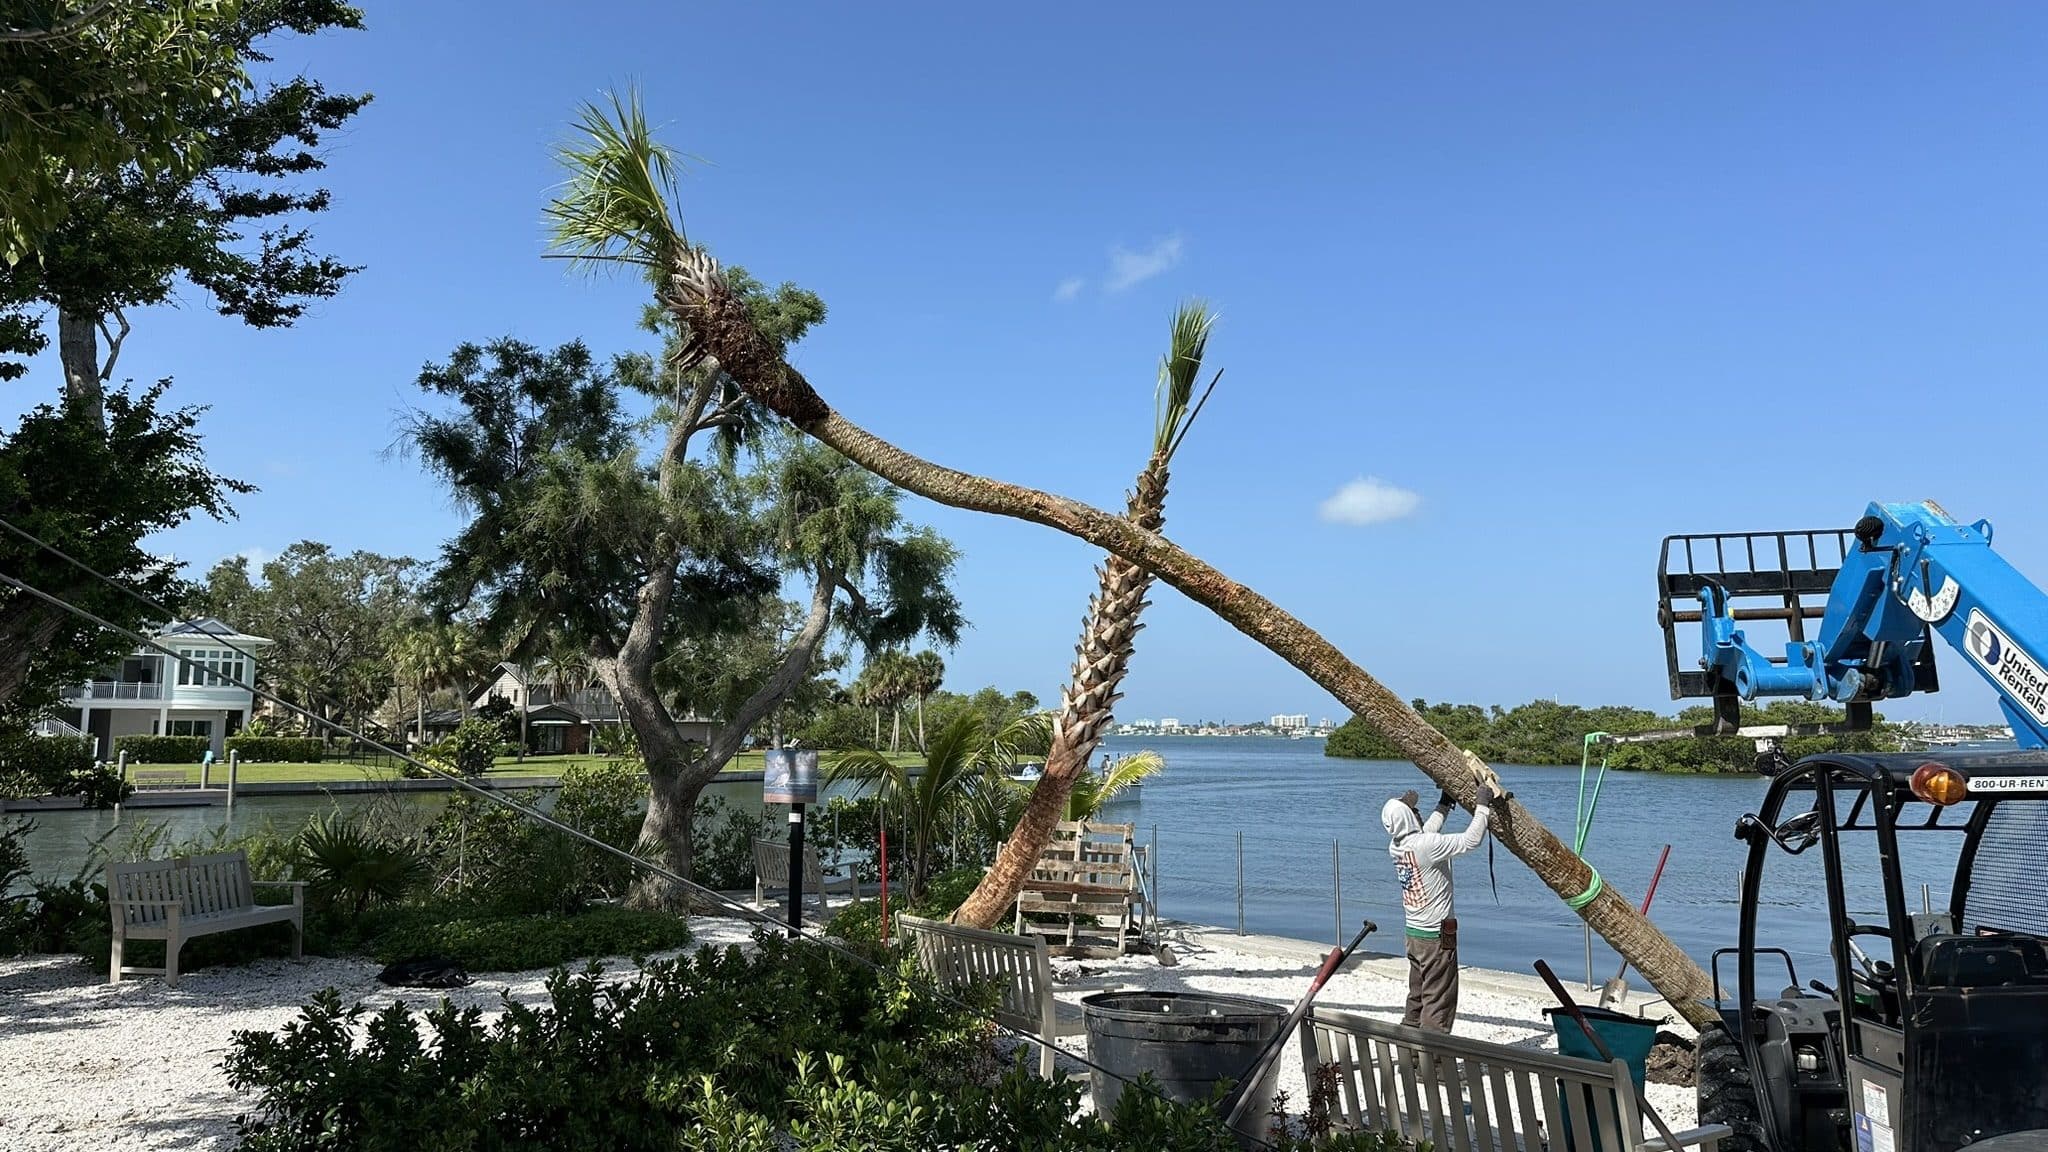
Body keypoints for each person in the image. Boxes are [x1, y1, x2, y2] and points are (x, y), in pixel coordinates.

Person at [1381, 779, 1497, 1032]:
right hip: (1437, 935)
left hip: (1414, 934)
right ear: (1409, 820)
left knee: (1418, 992)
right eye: (1413, 811)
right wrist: (1482, 805)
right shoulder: (1427, 846)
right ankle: (1432, 1062)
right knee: (1439, 998)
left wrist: (1444, 804)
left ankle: (1410, 1045)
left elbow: (1427, 830)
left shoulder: (1397, 845)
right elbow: (1470, 841)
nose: (1417, 812)